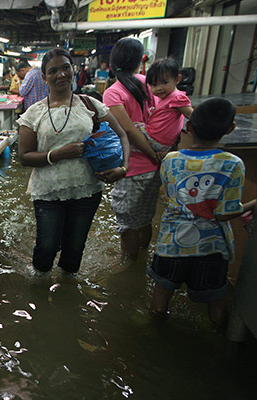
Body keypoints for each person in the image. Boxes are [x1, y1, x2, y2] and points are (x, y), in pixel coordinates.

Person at [17, 48, 130, 273]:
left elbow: (123, 135)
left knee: (74, 250)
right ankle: (39, 290)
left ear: (73, 70)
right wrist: (57, 154)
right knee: (46, 248)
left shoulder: (90, 105)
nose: (61, 75)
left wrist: (123, 168)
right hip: (48, 191)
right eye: (53, 71)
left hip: (86, 190)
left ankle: (68, 293)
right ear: (44, 78)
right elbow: (24, 156)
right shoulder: (34, 113)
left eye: (65, 68)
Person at [147, 98, 256, 326]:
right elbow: (225, 213)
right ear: (230, 129)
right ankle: (220, 346)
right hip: (211, 249)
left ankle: (155, 336)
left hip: (172, 245)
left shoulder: (171, 160)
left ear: (189, 127)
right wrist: (254, 203)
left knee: (159, 303)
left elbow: (169, 194)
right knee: (216, 303)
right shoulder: (233, 164)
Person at [103, 37, 159, 261]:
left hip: (132, 167)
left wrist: (149, 153)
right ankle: (144, 259)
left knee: (127, 224)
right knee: (145, 219)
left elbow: (127, 130)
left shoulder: (113, 92)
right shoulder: (148, 83)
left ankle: (130, 266)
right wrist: (157, 155)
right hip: (154, 167)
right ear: (139, 61)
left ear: (113, 61)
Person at [144, 58, 194, 161]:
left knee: (132, 127)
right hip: (161, 142)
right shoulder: (164, 98)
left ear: (178, 79)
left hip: (158, 140)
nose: (159, 88)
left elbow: (192, 115)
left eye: (165, 82)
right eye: (154, 85)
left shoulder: (176, 97)